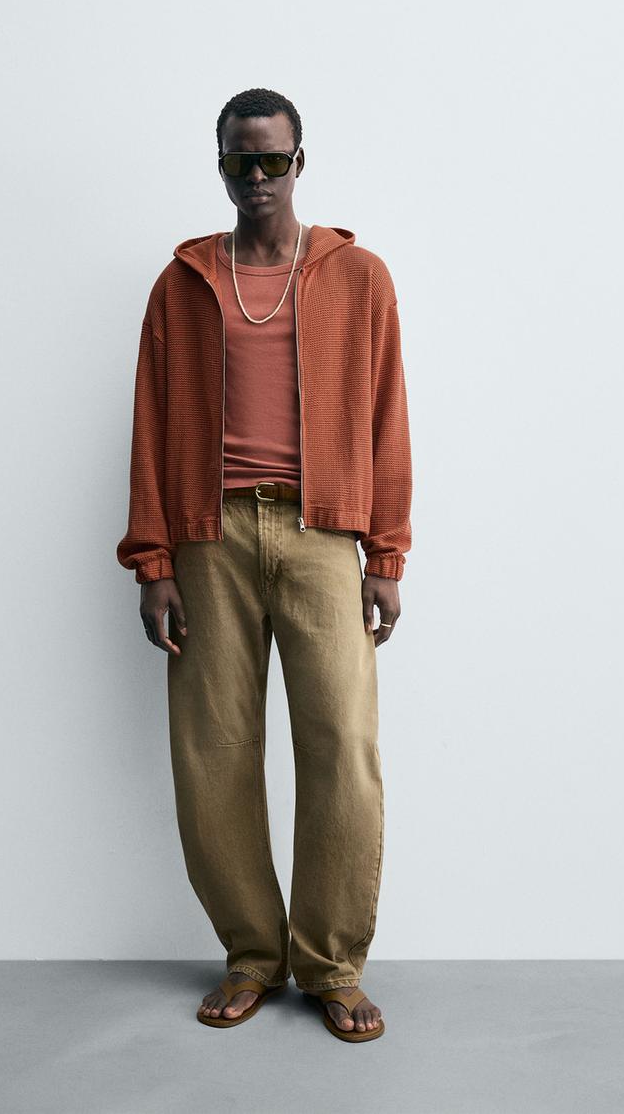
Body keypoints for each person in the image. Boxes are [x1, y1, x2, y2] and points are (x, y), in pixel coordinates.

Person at [116, 88, 412, 1043]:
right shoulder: (183, 285)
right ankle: (251, 952)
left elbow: (387, 414)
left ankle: (331, 963)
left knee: (343, 747)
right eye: (240, 161)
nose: (257, 177)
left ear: (299, 161)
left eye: (273, 160)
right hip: (208, 539)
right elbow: (151, 426)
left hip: (324, 534)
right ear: (221, 167)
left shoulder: (358, 277)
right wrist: (153, 559)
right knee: (213, 750)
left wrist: (386, 552)